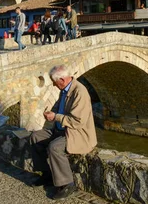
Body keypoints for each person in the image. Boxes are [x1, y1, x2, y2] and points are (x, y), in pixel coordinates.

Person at [29, 65, 97, 200]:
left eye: (54, 82)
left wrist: (55, 117)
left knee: (54, 148)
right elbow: (58, 107)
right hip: (60, 130)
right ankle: (47, 174)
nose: (54, 86)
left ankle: (67, 184)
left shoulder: (80, 92)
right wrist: (50, 112)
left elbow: (78, 122)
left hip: (77, 133)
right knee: (35, 137)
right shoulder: (65, 90)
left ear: (62, 80)